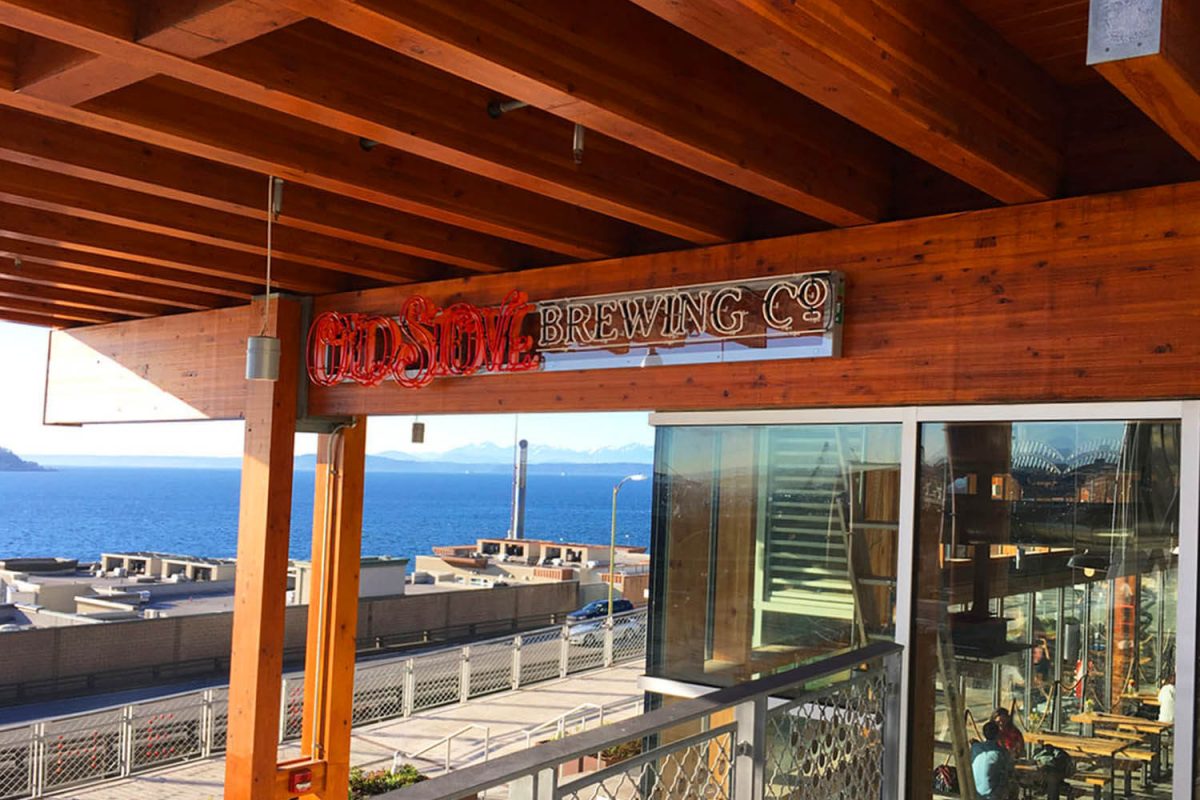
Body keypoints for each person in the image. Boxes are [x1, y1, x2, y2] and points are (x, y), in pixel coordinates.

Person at [971, 722, 1013, 800]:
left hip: (974, 791)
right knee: (1013, 785)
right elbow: (1010, 770)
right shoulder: (1000, 752)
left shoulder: (975, 747)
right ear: (998, 734)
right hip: (992, 795)